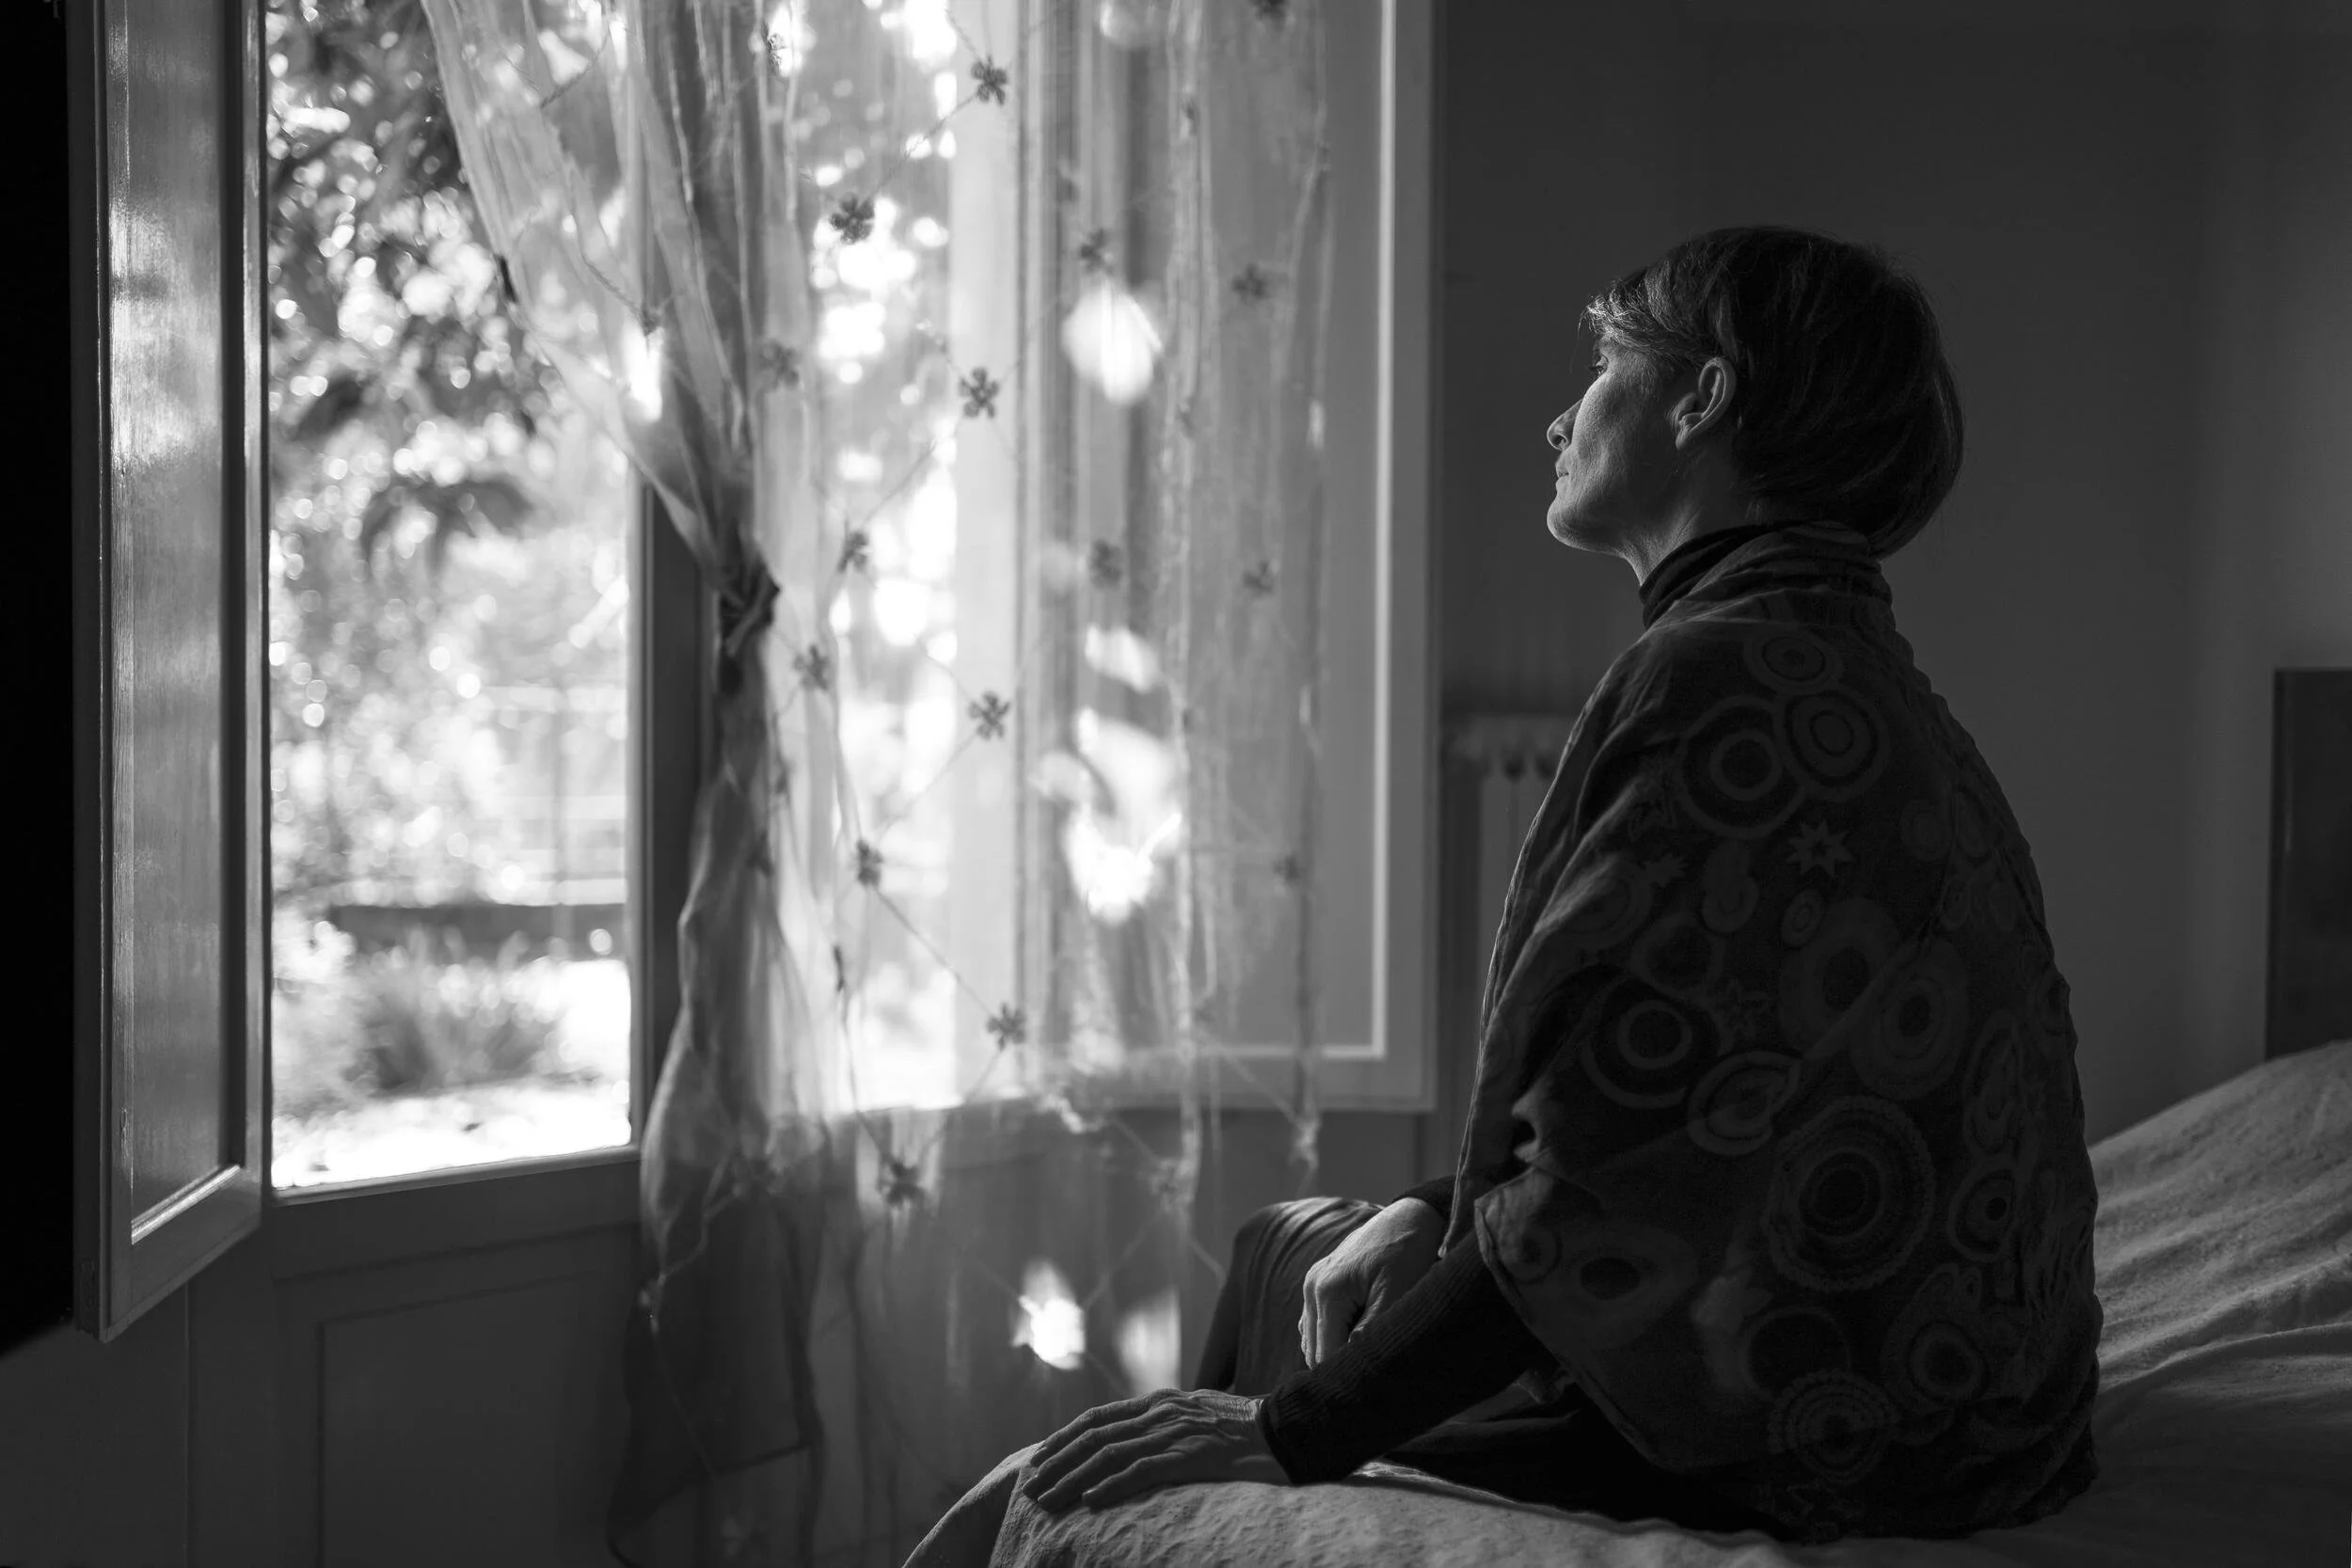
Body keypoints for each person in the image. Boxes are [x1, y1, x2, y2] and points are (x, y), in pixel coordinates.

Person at [1020, 226, 2104, 1544]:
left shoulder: (1728, 681)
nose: (1560, 413)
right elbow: (1691, 1105)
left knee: (1273, 1273)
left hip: (1832, 1430)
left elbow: (1622, 1178)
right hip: (1968, 1408)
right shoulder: (1836, 670)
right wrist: (1432, 1212)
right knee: (1297, 1242)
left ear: (1702, 397)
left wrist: (1283, 1431)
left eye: (1603, 361)